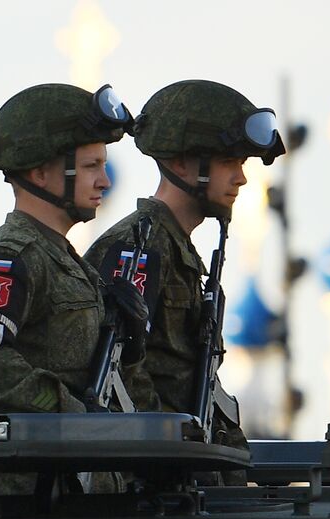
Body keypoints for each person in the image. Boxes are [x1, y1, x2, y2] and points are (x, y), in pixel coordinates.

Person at [84, 80, 285, 482]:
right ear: (180, 165)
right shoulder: (138, 248)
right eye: (230, 162)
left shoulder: (177, 251)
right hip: (151, 478)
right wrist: (170, 448)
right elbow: (115, 369)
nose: (241, 179)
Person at [0, 83, 148, 420]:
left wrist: (131, 346)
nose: (103, 181)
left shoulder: (70, 263)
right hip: (33, 470)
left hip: (81, 468)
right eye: (90, 167)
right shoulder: (10, 259)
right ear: (40, 173)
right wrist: (69, 412)